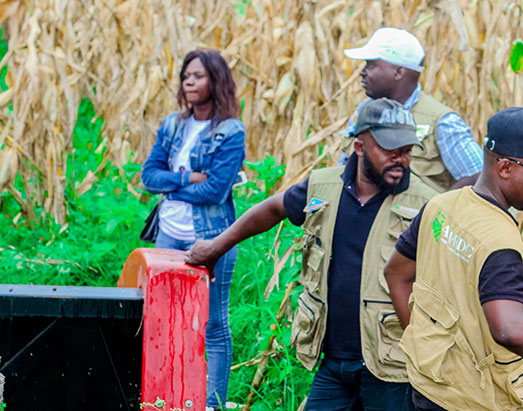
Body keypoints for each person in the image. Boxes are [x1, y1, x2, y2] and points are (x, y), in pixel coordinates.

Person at [185, 98, 437, 410]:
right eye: (390, 150)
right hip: (332, 362)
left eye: (407, 151)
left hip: (390, 364)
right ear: (359, 147)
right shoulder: (323, 187)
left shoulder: (428, 204)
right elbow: (273, 208)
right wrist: (216, 247)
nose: (401, 159)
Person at [383, 107, 523, 410]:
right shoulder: (500, 243)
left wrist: (423, 346)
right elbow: (509, 329)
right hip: (479, 401)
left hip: (430, 389)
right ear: (505, 167)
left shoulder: (441, 206)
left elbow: (396, 274)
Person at [141, 49, 245, 410]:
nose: (189, 81)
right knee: (164, 319)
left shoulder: (230, 132)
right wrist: (186, 178)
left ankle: (212, 403)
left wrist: (170, 185)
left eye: (198, 75)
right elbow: (147, 176)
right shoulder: (173, 124)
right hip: (167, 234)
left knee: (213, 323)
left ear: (216, 81)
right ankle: (166, 398)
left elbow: (215, 190)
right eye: (186, 75)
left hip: (211, 235)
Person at [342, 27, 482, 192]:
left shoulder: (441, 121)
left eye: (371, 65)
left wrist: (433, 209)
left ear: (398, 72)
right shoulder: (362, 113)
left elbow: (477, 175)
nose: (362, 72)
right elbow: (343, 170)